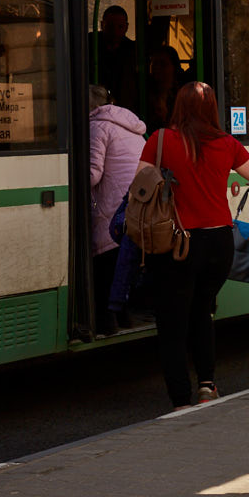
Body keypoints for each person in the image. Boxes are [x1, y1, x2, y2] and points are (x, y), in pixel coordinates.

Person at [136, 82, 249, 410]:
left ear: (178, 107)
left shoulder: (160, 140)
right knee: (202, 312)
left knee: (173, 323)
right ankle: (206, 386)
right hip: (219, 244)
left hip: (177, 244)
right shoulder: (227, 144)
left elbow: (140, 184)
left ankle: (180, 401)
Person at [89, 85, 146, 335]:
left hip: (111, 204)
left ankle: (107, 320)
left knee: (103, 263)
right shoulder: (133, 127)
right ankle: (124, 317)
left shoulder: (97, 127)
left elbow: (92, 174)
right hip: (135, 203)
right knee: (121, 261)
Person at [89, 6, 137, 111]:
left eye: (120, 27)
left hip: (124, 109)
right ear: (102, 25)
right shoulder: (88, 44)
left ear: (126, 27)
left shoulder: (132, 50)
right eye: (110, 26)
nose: (115, 32)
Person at [147, 45, 187, 132]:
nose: (157, 68)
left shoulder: (184, 96)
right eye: (154, 63)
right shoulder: (145, 94)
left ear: (174, 67)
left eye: (162, 64)